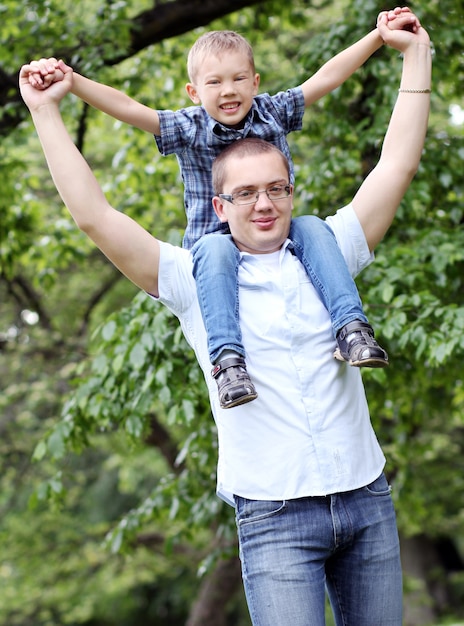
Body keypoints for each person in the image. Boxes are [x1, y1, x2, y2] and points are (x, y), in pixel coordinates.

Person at [20, 9, 431, 624]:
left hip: (366, 499)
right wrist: (48, 109)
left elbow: (395, 165)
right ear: (219, 203)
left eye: (276, 188)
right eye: (244, 193)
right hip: (274, 515)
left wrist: (413, 55)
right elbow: (95, 217)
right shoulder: (193, 278)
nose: (263, 204)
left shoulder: (330, 252)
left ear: (291, 188)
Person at [26, 10, 416, 408]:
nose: (228, 90)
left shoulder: (271, 111)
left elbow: (326, 78)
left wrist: (377, 38)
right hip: (212, 241)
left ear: (255, 82)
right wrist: (73, 83)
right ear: (194, 92)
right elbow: (129, 108)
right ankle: (228, 362)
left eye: (238, 79)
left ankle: (351, 329)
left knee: (314, 227)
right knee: (215, 251)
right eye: (214, 82)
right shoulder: (188, 126)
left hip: (271, 229)